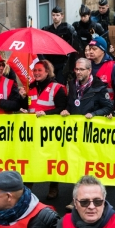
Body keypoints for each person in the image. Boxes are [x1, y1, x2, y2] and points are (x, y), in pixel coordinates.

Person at [18, 60, 68, 199]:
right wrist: (22, 100)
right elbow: (28, 106)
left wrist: (47, 114)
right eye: (35, 70)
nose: (36, 73)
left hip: (51, 132)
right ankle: (28, 187)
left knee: (52, 160)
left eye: (40, 70)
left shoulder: (57, 88)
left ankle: (53, 187)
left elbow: (62, 108)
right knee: (31, 159)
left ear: (47, 71)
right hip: (33, 131)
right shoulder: (31, 88)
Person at [42, 6, 79, 83]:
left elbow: (74, 46)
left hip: (62, 62)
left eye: (57, 15)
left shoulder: (68, 29)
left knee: (60, 84)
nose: (55, 17)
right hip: (50, 61)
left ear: (62, 16)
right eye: (53, 15)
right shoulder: (47, 29)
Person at [87, 37, 115, 110]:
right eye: (90, 49)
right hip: (89, 108)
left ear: (102, 50)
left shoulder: (112, 67)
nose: (90, 51)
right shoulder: (86, 64)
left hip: (106, 108)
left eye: (94, 49)